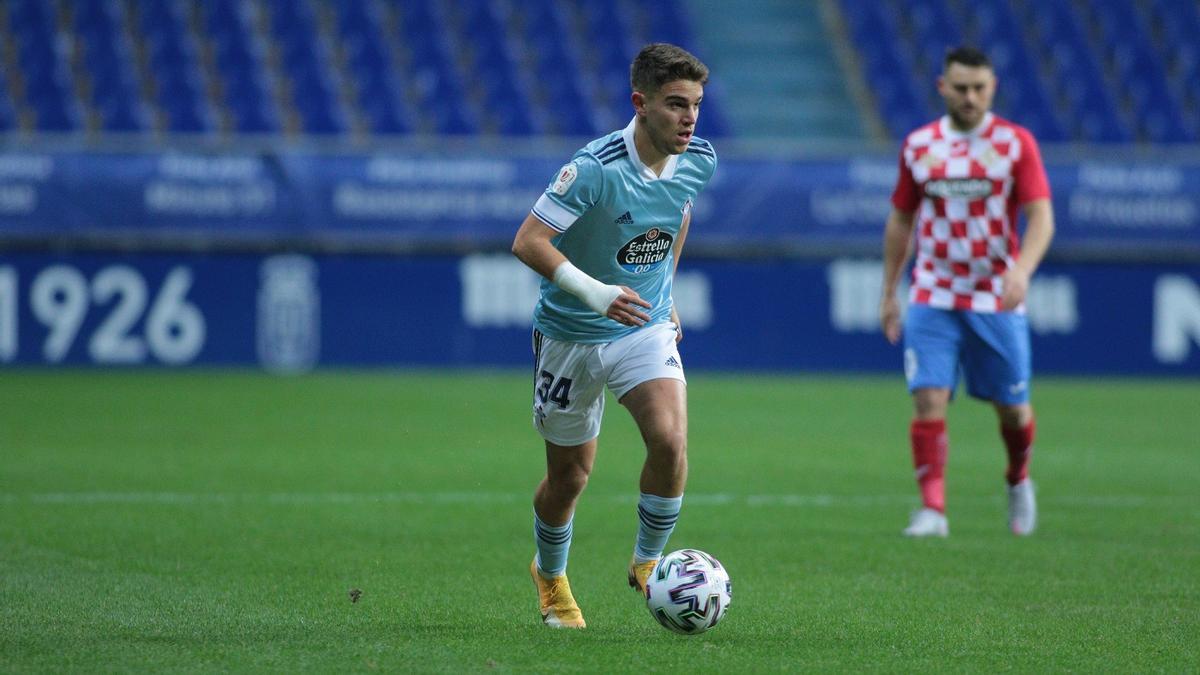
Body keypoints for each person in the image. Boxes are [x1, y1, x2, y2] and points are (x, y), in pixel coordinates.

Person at [511, 43, 717, 628]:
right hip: (570, 333)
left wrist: (666, 293)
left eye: (696, 105)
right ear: (641, 103)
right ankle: (550, 575)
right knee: (569, 478)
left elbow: (678, 212)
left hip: (642, 327)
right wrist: (598, 293)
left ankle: (649, 563)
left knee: (670, 440)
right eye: (676, 104)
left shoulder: (699, 158)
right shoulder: (595, 167)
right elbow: (528, 241)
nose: (689, 118)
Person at [879, 46, 1055, 538]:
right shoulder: (919, 146)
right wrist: (890, 291)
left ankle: (1018, 479)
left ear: (992, 87)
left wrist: (1022, 270)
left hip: (995, 297)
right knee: (928, 400)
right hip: (933, 292)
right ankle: (933, 510)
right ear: (943, 87)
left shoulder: (1015, 144)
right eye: (961, 88)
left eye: (979, 88)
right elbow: (901, 220)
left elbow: (1041, 214)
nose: (970, 97)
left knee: (1014, 409)